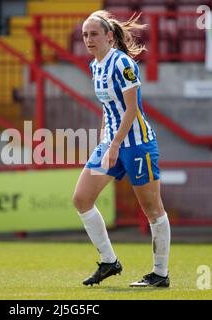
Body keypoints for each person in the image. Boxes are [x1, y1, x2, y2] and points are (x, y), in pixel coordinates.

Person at [73, 11, 171, 287]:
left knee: (153, 210)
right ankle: (108, 262)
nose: (88, 39)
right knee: (81, 198)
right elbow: (109, 108)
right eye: (84, 35)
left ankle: (160, 274)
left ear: (109, 36)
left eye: (93, 34)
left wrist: (115, 143)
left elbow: (133, 109)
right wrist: (106, 139)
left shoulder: (123, 64)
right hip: (111, 143)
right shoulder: (95, 65)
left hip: (137, 144)